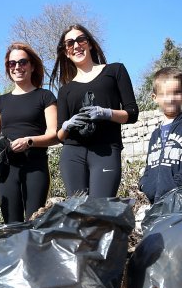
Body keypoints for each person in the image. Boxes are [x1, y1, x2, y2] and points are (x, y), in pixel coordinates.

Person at [51, 24, 139, 198]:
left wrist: (107, 113)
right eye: (70, 43)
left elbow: (132, 113)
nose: (76, 46)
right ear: (66, 52)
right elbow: (59, 136)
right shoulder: (65, 90)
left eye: (80, 40)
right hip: (73, 154)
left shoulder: (114, 71)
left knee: (100, 211)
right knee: (77, 213)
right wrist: (68, 125)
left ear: (89, 43)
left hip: (106, 149)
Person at [0, 42, 58, 222]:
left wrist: (29, 141)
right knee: (11, 227)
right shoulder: (1, 102)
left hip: (35, 167)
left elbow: (54, 135)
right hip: (7, 169)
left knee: (35, 223)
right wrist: (3, 142)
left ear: (32, 66)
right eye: (12, 63)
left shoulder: (45, 96)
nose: (17, 67)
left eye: (22, 62)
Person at [139, 67, 182, 204]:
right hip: (157, 201)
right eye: (164, 94)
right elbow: (149, 165)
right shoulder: (155, 134)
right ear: (154, 97)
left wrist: (175, 185)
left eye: (176, 93)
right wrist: (145, 184)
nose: (170, 99)